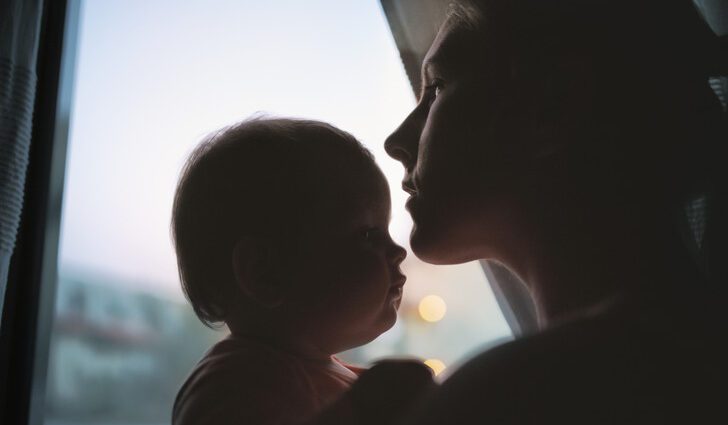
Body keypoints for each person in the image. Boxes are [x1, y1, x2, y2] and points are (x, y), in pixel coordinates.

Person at [384, 0, 728, 422]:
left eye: (436, 87)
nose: (395, 140)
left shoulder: (526, 394)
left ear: (552, 100)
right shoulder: (689, 347)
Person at [170, 117, 430, 425]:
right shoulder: (234, 384)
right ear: (264, 273)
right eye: (367, 235)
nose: (399, 252)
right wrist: (361, 410)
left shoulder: (325, 376)